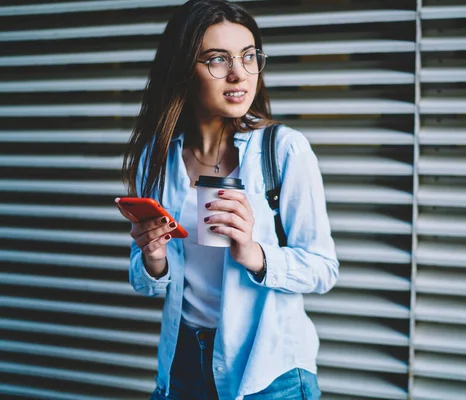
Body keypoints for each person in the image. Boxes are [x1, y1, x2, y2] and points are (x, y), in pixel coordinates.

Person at [119, 1, 339, 399]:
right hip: (182, 361)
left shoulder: (284, 150)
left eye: (249, 56)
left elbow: (323, 269)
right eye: (217, 59)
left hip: (269, 371)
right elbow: (148, 284)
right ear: (184, 69)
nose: (239, 73)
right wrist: (153, 258)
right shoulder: (159, 156)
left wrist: (256, 254)